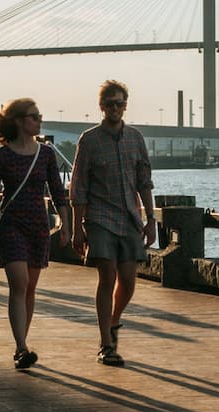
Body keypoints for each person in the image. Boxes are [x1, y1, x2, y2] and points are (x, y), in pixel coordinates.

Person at [0, 99, 69, 369]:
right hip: (12, 225)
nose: (39, 121)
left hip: (38, 225)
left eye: (39, 116)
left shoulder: (47, 154)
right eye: (33, 117)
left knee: (29, 288)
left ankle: (23, 342)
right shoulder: (1, 156)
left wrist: (66, 224)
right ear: (18, 121)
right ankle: (20, 348)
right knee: (19, 284)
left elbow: (56, 191)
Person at [69, 80, 155, 367]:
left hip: (130, 217)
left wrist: (151, 219)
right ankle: (106, 344)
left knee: (128, 282)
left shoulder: (136, 138)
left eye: (120, 103)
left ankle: (113, 321)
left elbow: (145, 181)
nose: (115, 108)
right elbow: (78, 186)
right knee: (107, 276)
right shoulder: (89, 140)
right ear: (101, 106)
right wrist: (76, 228)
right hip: (99, 218)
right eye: (110, 104)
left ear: (126, 105)